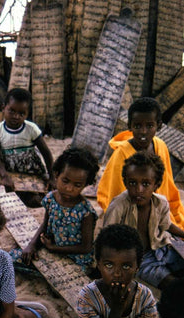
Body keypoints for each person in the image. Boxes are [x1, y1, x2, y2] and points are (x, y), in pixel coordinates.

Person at [76, 224, 156, 318]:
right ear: (98, 264)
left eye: (126, 266)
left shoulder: (145, 298)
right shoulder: (88, 296)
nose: (117, 274)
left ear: (138, 267)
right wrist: (117, 309)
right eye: (109, 265)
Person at [97, 97, 184, 227]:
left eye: (149, 126)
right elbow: (116, 195)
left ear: (159, 125)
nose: (143, 132)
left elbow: (167, 186)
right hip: (134, 211)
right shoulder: (121, 154)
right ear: (129, 126)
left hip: (160, 208)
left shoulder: (160, 146)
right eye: (138, 126)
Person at [104, 151, 184, 289]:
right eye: (133, 183)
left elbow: (166, 225)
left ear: (156, 184)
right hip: (141, 260)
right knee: (173, 286)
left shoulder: (161, 202)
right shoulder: (119, 205)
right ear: (125, 182)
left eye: (146, 184)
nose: (138, 190)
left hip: (163, 248)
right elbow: (106, 237)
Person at [22, 146, 100, 271]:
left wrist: (54, 248)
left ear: (86, 185)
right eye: (65, 181)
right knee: (21, 258)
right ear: (56, 175)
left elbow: (86, 247)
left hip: (75, 258)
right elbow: (45, 224)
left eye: (77, 185)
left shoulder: (86, 212)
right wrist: (32, 245)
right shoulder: (51, 198)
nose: (69, 188)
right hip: (51, 248)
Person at [0, 87, 54, 191]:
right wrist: (4, 175)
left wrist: (52, 177)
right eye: (11, 111)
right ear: (3, 107)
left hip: (33, 173)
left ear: (27, 114)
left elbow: (46, 153)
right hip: (10, 174)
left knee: (36, 199)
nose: (16, 116)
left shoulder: (31, 129)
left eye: (21, 113)